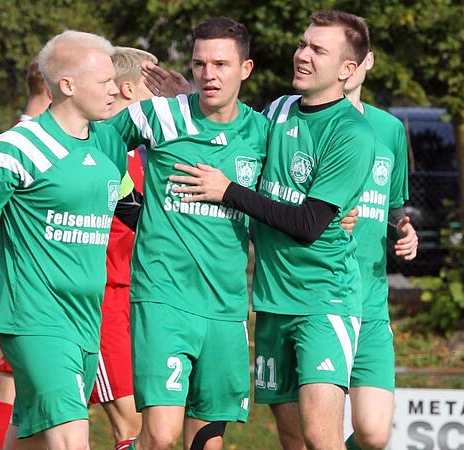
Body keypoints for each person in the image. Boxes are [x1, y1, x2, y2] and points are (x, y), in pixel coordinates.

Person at [168, 10, 376, 450]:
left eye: (318, 50)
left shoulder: (351, 133)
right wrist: (190, 99)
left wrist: (228, 192)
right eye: (303, 44)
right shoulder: (279, 109)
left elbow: (307, 225)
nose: (302, 55)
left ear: (347, 70)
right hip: (271, 300)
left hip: (324, 300)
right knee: (292, 437)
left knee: (322, 437)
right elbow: (235, 139)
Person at [0, 30, 129, 450]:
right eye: (105, 81)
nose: (116, 89)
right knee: (72, 438)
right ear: (67, 85)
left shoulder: (109, 142)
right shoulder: (19, 146)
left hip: (86, 320)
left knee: (28, 439)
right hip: (36, 319)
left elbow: (126, 208)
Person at [106, 17, 268, 450]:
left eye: (221, 64)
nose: (209, 74)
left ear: (245, 69)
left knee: (207, 442)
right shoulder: (158, 114)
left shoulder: (262, 133)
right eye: (200, 64)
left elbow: (297, 194)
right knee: (160, 435)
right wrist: (127, 203)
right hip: (163, 296)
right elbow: (95, 147)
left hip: (226, 304)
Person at [342, 50, 418, 450]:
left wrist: (404, 228)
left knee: (373, 434)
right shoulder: (302, 120)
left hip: (371, 300)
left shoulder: (388, 128)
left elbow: (394, 205)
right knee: (309, 437)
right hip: (319, 297)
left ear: (366, 62)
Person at [0, 58, 52, 450]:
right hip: (17, 285)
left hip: (15, 283)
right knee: (10, 390)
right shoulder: (21, 143)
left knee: (31, 396)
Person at [90, 46, 157, 450]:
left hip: (138, 301)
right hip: (101, 304)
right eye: (156, 86)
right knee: (131, 425)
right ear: (128, 90)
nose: (165, 98)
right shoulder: (99, 147)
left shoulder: (140, 155)